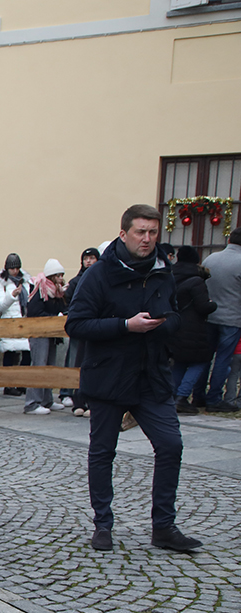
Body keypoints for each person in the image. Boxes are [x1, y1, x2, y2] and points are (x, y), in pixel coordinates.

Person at [65, 203, 200, 553]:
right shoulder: (99, 275)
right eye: (140, 232)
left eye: (153, 232)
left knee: (171, 445)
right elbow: (76, 325)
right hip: (108, 377)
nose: (147, 239)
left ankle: (164, 526)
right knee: (102, 452)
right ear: (123, 233)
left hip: (151, 376)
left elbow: (175, 316)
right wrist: (126, 325)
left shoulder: (161, 271)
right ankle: (103, 525)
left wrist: (165, 323)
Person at [167, 246, 216, 415]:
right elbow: (203, 307)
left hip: (174, 325)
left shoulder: (170, 275)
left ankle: (172, 395)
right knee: (200, 361)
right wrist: (213, 304)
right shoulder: (196, 280)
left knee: (179, 361)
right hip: (193, 328)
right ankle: (182, 396)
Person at [202, 227, 241, 412]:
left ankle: (198, 395)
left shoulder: (211, 258)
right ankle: (214, 398)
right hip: (232, 318)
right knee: (223, 359)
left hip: (209, 316)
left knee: (204, 358)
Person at [24, 259, 68, 415]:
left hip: (52, 333)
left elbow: (64, 308)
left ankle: (46, 400)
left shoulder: (57, 291)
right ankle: (32, 403)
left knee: (49, 366)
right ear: (52, 275)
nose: (61, 278)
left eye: (62, 275)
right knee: (39, 365)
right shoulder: (39, 288)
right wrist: (54, 316)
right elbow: (34, 311)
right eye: (59, 275)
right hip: (39, 332)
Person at [63, 247, 101, 415]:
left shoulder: (101, 278)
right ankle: (78, 400)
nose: (88, 261)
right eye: (86, 258)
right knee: (77, 362)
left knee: (93, 362)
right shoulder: (76, 280)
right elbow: (69, 300)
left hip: (96, 325)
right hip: (81, 325)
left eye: (92, 258)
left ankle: (90, 401)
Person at [0, 253, 31, 394]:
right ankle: (9, 386)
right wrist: (13, 295)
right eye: (12, 268)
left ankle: (22, 383)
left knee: (27, 354)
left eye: (17, 268)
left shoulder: (25, 281)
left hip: (23, 321)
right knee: (9, 354)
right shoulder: (0, 284)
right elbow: (1, 307)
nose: (15, 271)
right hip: (9, 322)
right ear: (7, 269)